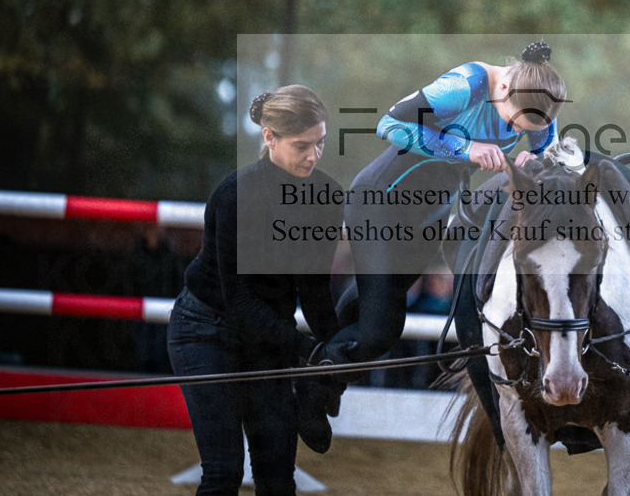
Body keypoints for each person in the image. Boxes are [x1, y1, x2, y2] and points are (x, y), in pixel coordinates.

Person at [321, 41, 566, 441]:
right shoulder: (467, 84)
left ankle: (317, 375)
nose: (518, 132)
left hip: (430, 216)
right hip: (382, 200)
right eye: (516, 124)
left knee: (370, 306)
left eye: (526, 130)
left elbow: (548, 154)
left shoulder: (536, 103)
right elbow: (389, 125)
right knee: (383, 327)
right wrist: (466, 148)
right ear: (504, 91)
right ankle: (316, 386)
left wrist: (533, 161)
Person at [167, 85, 344, 495]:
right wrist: (308, 352)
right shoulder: (233, 197)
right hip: (206, 330)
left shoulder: (328, 196)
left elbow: (315, 290)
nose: (313, 156)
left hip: (268, 334)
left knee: (278, 477)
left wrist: (334, 354)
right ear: (270, 138)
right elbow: (241, 301)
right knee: (224, 471)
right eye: (302, 146)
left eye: (320, 143)